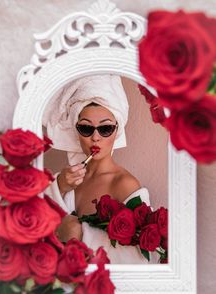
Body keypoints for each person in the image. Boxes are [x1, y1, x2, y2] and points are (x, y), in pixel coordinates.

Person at [44, 75, 153, 264]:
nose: (95, 138)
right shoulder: (68, 180)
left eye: (105, 129)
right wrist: (59, 186)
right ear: (76, 130)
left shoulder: (125, 185)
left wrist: (76, 232)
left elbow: (139, 257)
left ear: (117, 130)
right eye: (86, 128)